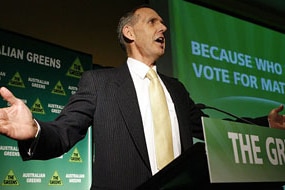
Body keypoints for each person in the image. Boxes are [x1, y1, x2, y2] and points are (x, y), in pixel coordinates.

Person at [0, 5, 284, 190]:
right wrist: (34, 130)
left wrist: (264, 125)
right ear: (129, 32)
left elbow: (213, 131)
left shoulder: (176, 88)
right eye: (153, 22)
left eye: (163, 23)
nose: (163, 28)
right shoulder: (99, 83)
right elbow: (64, 132)